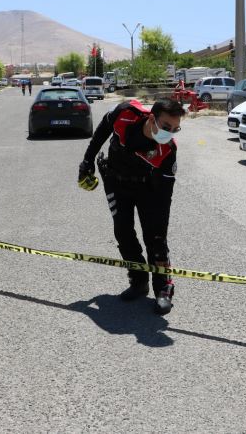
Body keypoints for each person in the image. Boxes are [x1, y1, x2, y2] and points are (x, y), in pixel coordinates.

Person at [78, 99, 186, 315]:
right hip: (116, 181)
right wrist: (87, 163)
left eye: (176, 129)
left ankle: (163, 288)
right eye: (166, 127)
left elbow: (166, 195)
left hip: (150, 187)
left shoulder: (168, 150)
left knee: (155, 237)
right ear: (152, 118)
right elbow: (101, 131)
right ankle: (138, 282)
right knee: (123, 232)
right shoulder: (125, 112)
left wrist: (160, 231)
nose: (170, 133)